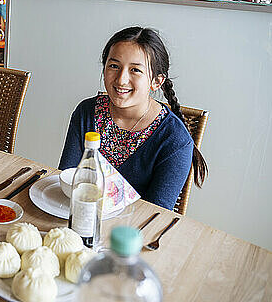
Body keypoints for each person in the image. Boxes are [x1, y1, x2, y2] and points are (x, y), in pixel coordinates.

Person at [58, 27, 207, 210]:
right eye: (114, 66)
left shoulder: (175, 140)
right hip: (79, 219)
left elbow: (156, 215)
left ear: (156, 81)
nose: (121, 80)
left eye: (135, 70)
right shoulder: (87, 112)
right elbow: (67, 179)